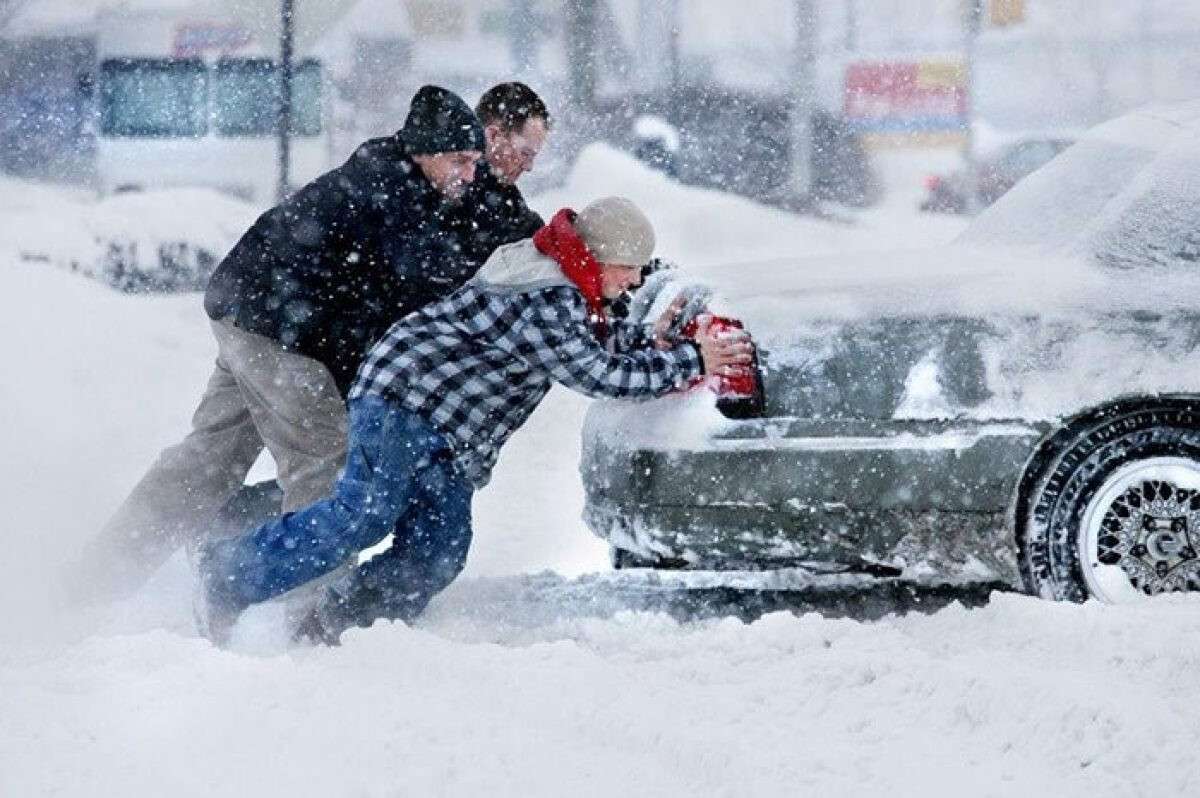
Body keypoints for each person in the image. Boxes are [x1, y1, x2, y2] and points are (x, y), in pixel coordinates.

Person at [197, 197, 754, 644]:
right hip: (403, 397)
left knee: (438, 548)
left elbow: (595, 339)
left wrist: (653, 343)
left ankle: (340, 626)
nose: (633, 282)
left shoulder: (568, 280)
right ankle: (225, 574)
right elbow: (598, 373)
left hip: (449, 431)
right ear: (603, 257)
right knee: (362, 514)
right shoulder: (547, 294)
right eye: (629, 270)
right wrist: (693, 360)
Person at [78, 84, 549, 602]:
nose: (523, 166)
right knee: (329, 468)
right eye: (523, 151)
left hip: (250, 310)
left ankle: (97, 583)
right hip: (281, 332)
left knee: (208, 463)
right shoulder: (399, 192)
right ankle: (295, 614)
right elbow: (421, 281)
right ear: (478, 138)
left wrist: (573, 259)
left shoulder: (429, 180)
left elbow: (506, 241)